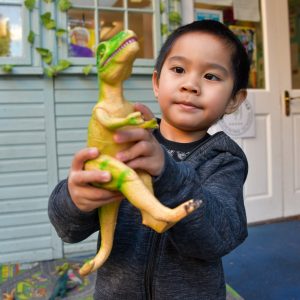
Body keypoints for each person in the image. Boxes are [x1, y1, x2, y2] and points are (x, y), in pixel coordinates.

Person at [48, 20, 250, 299]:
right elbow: (66, 229)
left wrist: (168, 174)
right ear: (156, 83)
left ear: (233, 100)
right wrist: (75, 199)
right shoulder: (127, 138)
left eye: (211, 76)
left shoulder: (225, 160)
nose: (190, 85)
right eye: (178, 70)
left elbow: (220, 237)